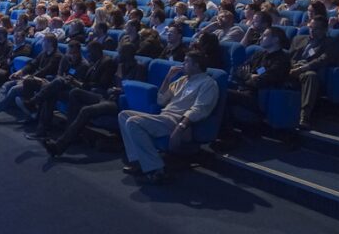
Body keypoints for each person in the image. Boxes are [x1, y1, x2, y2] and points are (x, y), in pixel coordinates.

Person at [118, 51, 219, 184]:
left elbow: (199, 109)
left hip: (177, 120)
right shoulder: (182, 80)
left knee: (133, 122)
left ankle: (157, 170)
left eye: (186, 61)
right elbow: (161, 100)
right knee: (124, 115)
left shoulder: (208, 83)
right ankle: (139, 161)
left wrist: (180, 128)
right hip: (164, 116)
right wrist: (168, 77)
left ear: (196, 65)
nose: (183, 64)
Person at [42, 43, 146, 157]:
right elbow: (111, 83)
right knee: (75, 93)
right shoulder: (119, 65)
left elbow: (136, 90)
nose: (117, 54)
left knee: (86, 110)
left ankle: (59, 146)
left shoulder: (139, 67)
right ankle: (71, 133)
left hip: (118, 103)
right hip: (105, 96)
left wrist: (120, 91)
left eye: (120, 52)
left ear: (127, 54)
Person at [217, 27, 290, 146]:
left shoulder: (282, 60)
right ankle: (225, 134)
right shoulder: (260, 53)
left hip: (258, 97)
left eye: (265, 35)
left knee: (222, 93)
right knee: (219, 92)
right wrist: (250, 76)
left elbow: (261, 82)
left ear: (276, 39)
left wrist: (247, 77)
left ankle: (229, 137)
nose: (261, 37)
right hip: (243, 92)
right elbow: (238, 71)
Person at [0, 35, 62, 121]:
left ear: (50, 43)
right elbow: (32, 64)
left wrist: (30, 76)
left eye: (44, 41)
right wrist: (20, 72)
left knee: (14, 89)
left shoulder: (57, 56)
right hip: (32, 79)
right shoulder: (44, 53)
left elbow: (45, 71)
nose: (41, 43)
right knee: (7, 84)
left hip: (43, 82)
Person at [290, 16, 339, 129]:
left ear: (324, 30)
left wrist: (302, 68)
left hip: (307, 70)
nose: (312, 31)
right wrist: (292, 66)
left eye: (316, 28)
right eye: (311, 27)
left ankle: (304, 116)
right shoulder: (298, 39)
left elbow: (323, 59)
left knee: (311, 77)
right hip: (292, 68)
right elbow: (289, 56)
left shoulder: (330, 42)